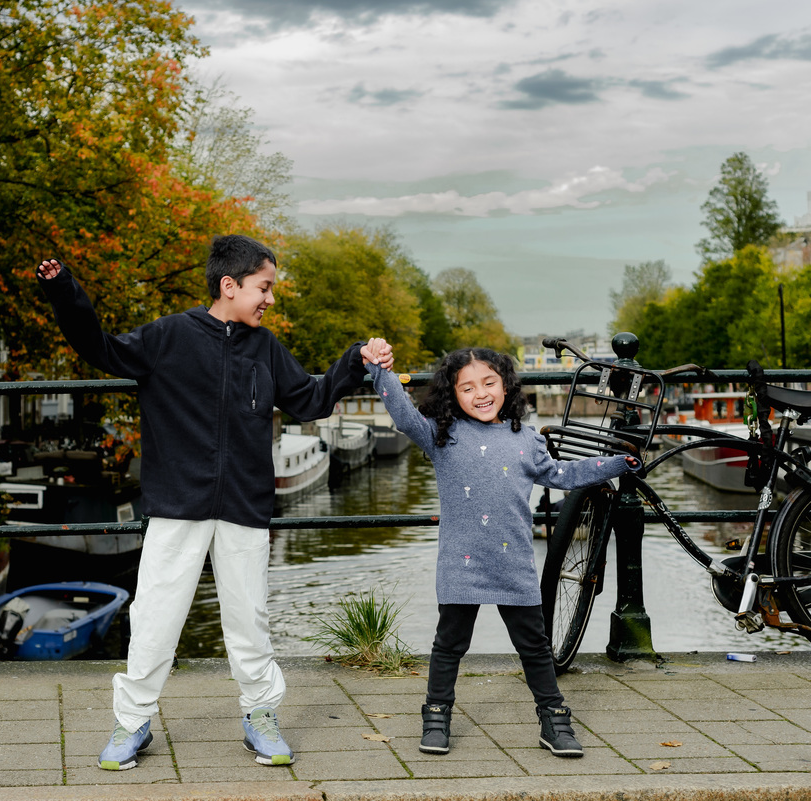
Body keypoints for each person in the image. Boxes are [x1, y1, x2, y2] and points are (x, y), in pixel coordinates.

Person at [36, 235, 394, 771]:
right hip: (178, 503)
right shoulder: (169, 336)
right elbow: (100, 347)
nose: (270, 299)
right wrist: (65, 290)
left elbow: (312, 400)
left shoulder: (266, 347)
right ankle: (133, 722)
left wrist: (356, 361)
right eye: (264, 287)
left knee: (248, 618)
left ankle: (260, 715)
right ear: (230, 285)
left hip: (244, 505)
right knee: (156, 615)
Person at [358, 345, 639, 758]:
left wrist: (617, 463)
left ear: (506, 386)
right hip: (461, 562)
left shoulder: (525, 439)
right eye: (467, 387)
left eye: (489, 383)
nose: (481, 393)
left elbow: (562, 475)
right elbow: (402, 415)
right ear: (453, 395)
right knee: (449, 643)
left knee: (534, 645)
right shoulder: (440, 434)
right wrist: (380, 369)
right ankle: (437, 715)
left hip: (513, 563)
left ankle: (553, 717)